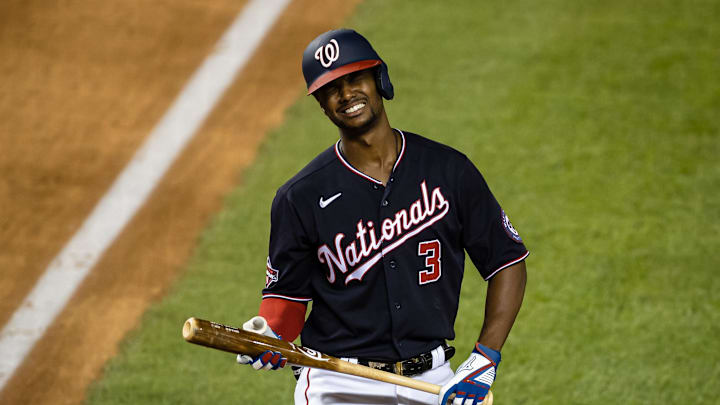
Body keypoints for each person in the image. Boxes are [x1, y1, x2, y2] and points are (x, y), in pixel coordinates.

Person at [237, 28, 529, 405]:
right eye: (331, 88)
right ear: (322, 105)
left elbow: (507, 261)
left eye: (354, 78)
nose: (346, 95)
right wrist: (270, 336)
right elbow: (286, 301)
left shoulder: (448, 171)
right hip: (338, 383)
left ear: (379, 79)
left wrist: (485, 358)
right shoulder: (300, 197)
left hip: (433, 380)